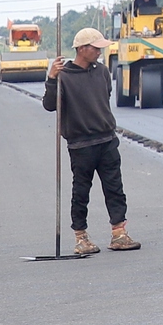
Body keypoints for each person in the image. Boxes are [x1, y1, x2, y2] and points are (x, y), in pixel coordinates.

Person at [42, 28, 138, 255]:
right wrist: (52, 78)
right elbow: (49, 105)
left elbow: (104, 97)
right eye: (95, 48)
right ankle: (81, 237)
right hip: (80, 144)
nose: (99, 52)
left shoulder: (103, 72)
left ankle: (119, 233)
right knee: (81, 192)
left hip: (107, 140)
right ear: (82, 49)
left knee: (115, 188)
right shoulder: (63, 75)